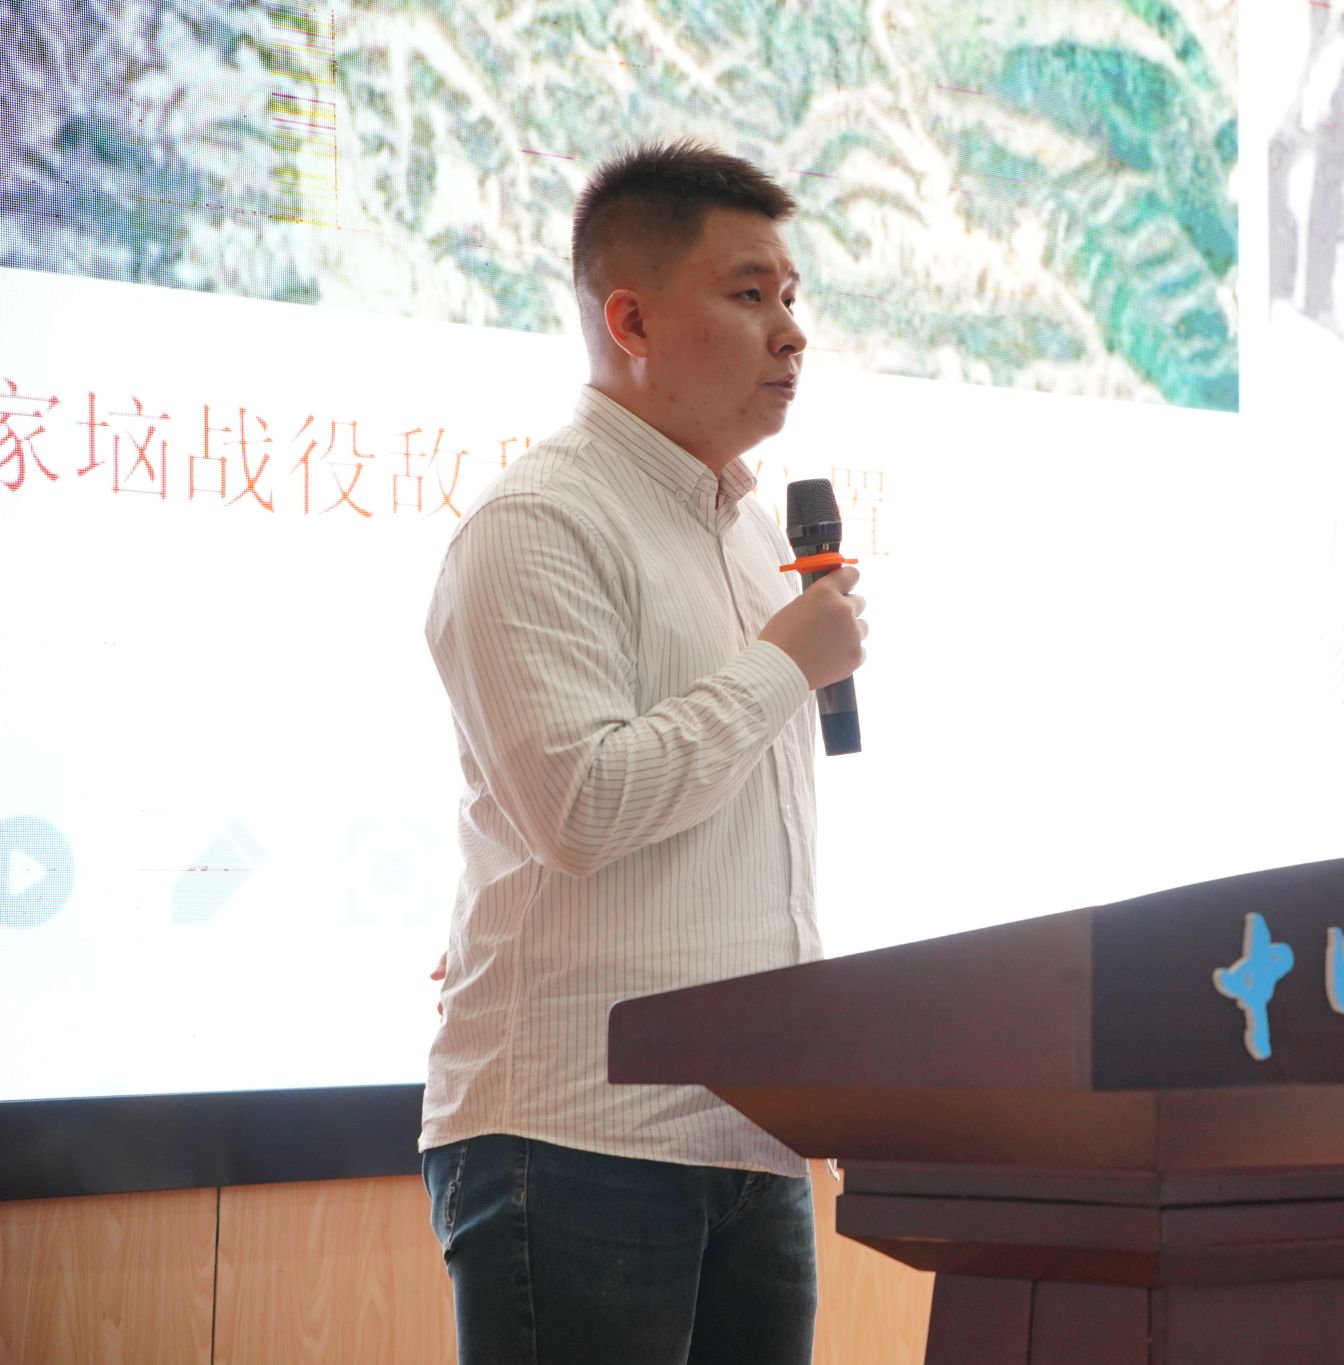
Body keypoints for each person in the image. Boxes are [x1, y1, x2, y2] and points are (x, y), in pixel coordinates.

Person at [418, 139, 866, 1365]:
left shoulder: (749, 535)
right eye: (749, 293)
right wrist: (782, 665)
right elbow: (580, 808)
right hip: (576, 1137)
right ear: (630, 321)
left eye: (790, 295)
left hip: (751, 1138)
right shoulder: (538, 522)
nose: (790, 333)